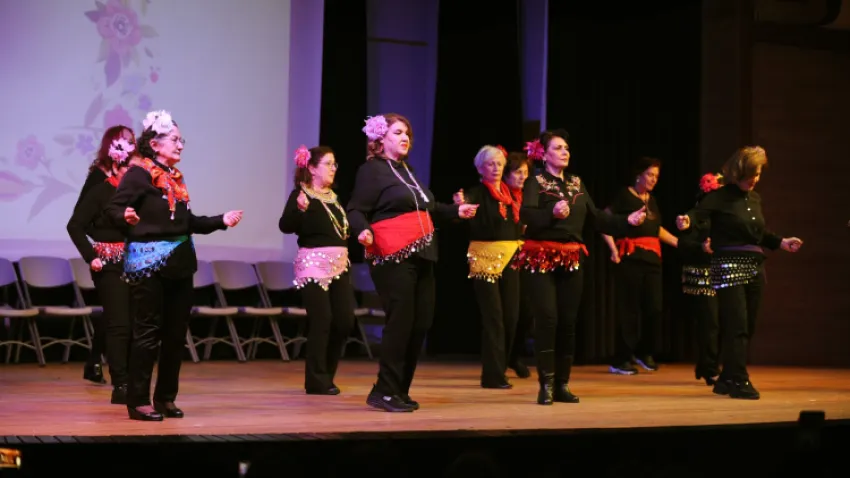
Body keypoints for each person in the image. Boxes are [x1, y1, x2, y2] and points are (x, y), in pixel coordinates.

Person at [106, 110, 243, 420]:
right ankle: (138, 400)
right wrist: (124, 215)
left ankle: (165, 398)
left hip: (180, 263)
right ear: (155, 144)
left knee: (176, 335)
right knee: (147, 333)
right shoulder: (138, 174)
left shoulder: (175, 179)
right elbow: (114, 208)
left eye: (182, 140)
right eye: (175, 140)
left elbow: (186, 222)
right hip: (149, 265)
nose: (181, 145)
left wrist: (220, 220)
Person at [347, 113, 478, 412]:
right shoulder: (372, 170)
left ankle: (398, 389)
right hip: (392, 254)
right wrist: (362, 230)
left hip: (423, 253)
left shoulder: (408, 171)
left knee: (421, 323)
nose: (405, 137)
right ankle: (385, 391)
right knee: (401, 322)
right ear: (380, 140)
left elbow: (428, 208)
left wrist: (456, 211)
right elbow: (355, 209)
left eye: (407, 132)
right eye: (397, 132)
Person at [515, 129, 647, 405]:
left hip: (572, 258)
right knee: (548, 319)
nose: (565, 152)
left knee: (567, 322)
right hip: (541, 257)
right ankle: (546, 385)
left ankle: (562, 384)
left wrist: (626, 222)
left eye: (567, 148)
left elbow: (596, 218)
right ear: (544, 154)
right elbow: (525, 214)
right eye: (558, 148)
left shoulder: (576, 182)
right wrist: (551, 213)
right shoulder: (535, 181)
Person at [676, 146, 803, 399]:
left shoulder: (754, 199)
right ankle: (738, 379)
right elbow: (697, 215)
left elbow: (759, 234)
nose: (754, 179)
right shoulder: (720, 197)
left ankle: (726, 378)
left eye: (758, 174)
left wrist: (781, 242)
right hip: (728, 265)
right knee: (737, 325)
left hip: (755, 266)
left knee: (748, 326)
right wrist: (686, 222)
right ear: (738, 172)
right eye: (750, 174)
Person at [279, 145, 355, 395]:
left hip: (339, 264)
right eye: (328, 164)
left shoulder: (334, 197)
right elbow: (285, 225)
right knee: (322, 320)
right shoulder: (301, 194)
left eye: (335, 164)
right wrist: (300, 210)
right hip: (312, 264)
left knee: (344, 320)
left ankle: (327, 375)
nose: (334, 168)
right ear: (312, 168)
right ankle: (316, 381)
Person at [66, 133, 136, 402]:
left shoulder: (139, 195)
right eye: (129, 169)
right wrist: (91, 255)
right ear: (117, 165)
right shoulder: (100, 191)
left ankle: (134, 380)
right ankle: (121, 385)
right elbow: (75, 225)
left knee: (134, 323)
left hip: (137, 262)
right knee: (118, 324)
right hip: (108, 263)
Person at [454, 145, 524, 389]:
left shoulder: (511, 194)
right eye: (490, 164)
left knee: (511, 316)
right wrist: (460, 206)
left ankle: (502, 367)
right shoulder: (475, 194)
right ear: (480, 168)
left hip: (511, 257)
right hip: (485, 258)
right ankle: (493, 375)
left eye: (499, 164)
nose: (495, 168)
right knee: (494, 317)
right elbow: (461, 217)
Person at [601, 157, 679, 375]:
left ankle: (644, 353)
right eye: (650, 175)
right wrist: (613, 249)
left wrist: (679, 242)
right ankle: (620, 359)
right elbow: (603, 222)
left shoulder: (652, 200)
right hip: (631, 258)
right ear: (639, 175)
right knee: (629, 309)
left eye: (656, 176)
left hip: (652, 259)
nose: (653, 179)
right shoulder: (624, 196)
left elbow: (656, 229)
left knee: (654, 308)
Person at [680, 172, 723, 385]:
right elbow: (683, 243)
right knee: (710, 323)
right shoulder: (695, 215)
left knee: (720, 322)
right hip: (702, 274)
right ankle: (710, 368)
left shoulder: (724, 215)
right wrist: (701, 247)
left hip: (723, 273)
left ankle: (707, 365)